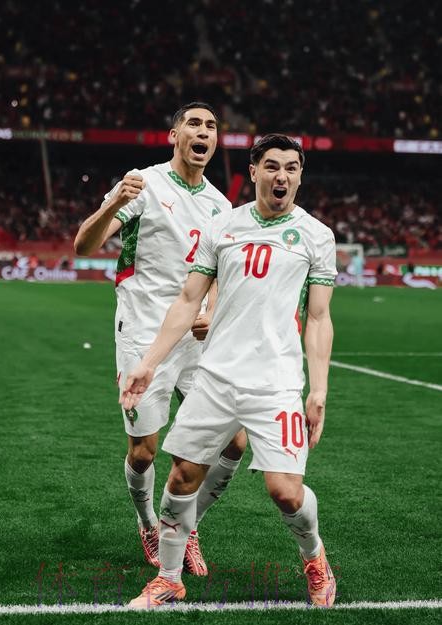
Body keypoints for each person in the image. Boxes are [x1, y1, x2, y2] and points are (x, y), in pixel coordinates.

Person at [121, 133, 338, 608]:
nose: (282, 176)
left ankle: (315, 557)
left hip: (276, 383)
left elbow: (319, 318)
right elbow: (188, 300)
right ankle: (169, 580)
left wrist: (318, 391)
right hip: (215, 378)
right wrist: (149, 364)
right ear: (254, 171)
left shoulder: (317, 235)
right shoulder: (222, 226)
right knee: (181, 477)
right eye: (273, 166)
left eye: (292, 168)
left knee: (285, 491)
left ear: (300, 176)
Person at [74, 102, 247, 576]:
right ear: (174, 135)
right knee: (144, 451)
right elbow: (83, 244)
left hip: (195, 339)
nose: (203, 131)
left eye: (211, 126)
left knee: (234, 441)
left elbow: (217, 274)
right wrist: (113, 202)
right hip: (143, 334)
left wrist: (211, 310)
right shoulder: (143, 184)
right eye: (193, 123)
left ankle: (183, 528)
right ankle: (149, 523)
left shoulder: (221, 206)